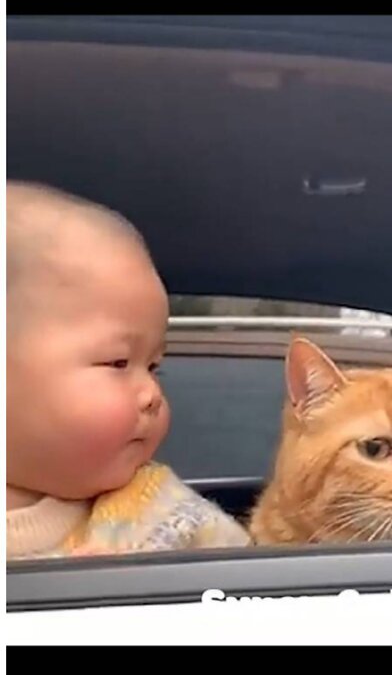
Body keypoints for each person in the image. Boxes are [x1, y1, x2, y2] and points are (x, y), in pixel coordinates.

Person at [7, 181, 251, 559]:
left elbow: (247, 597)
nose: (153, 394)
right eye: (118, 363)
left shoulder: (165, 517)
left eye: (154, 367)